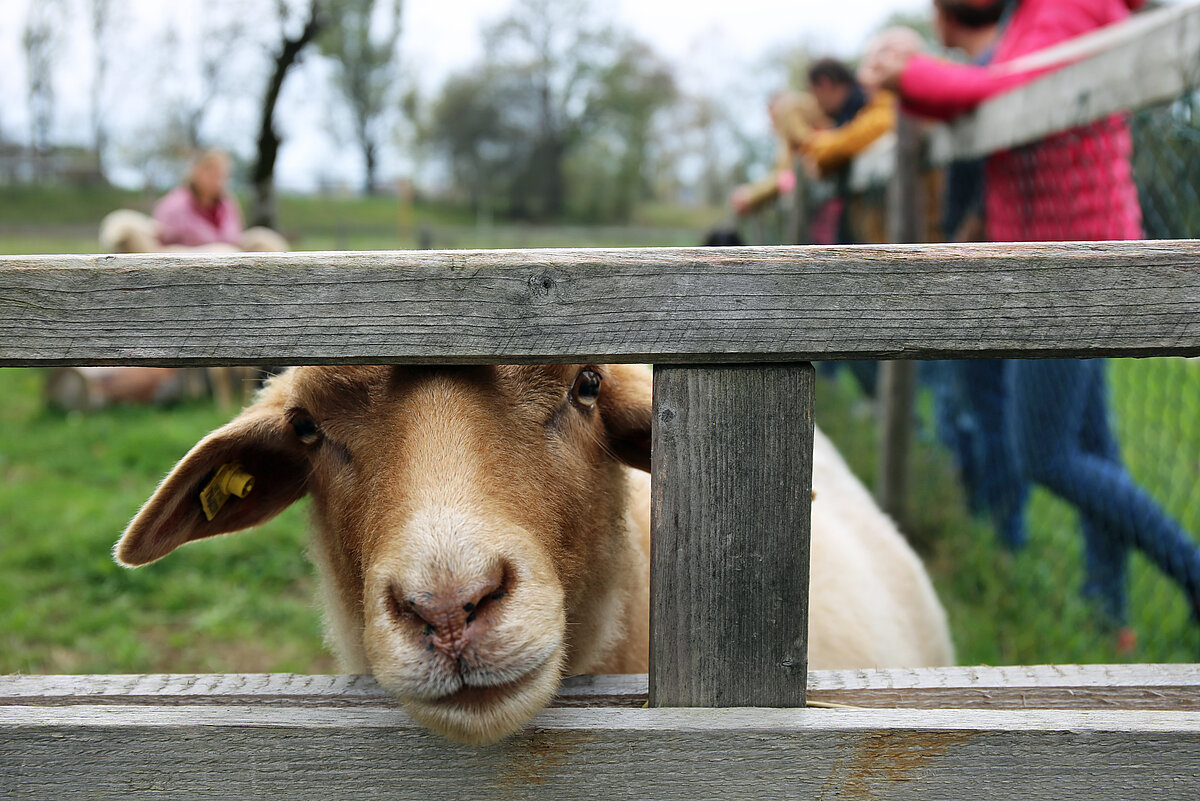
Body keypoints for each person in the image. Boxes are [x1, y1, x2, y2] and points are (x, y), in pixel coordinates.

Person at [862, 0, 1200, 640]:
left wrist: (910, 70)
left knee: (1044, 454)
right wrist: (907, 77)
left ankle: (1191, 571)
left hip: (1070, 267)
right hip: (1064, 258)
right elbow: (977, 93)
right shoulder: (1036, 13)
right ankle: (1109, 611)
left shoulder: (1069, 5)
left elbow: (1006, 85)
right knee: (1092, 450)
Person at [153, 150, 246, 249]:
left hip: (230, 260)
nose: (217, 179)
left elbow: (237, 237)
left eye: (221, 174)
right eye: (211, 172)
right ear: (196, 172)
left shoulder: (228, 205)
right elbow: (160, 241)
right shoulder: (175, 204)